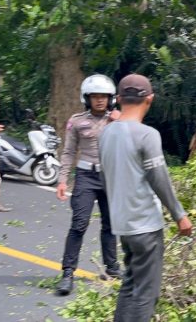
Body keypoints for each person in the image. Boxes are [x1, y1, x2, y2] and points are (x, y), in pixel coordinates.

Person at [99, 74, 192, 322]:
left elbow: (104, 178)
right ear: (150, 99)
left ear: (118, 99)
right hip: (145, 225)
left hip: (123, 225)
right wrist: (179, 215)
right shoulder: (147, 134)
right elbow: (158, 177)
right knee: (146, 294)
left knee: (130, 283)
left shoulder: (105, 134)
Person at [55, 74, 122, 296]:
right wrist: (63, 179)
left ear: (111, 98)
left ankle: (112, 269)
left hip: (110, 176)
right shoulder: (76, 121)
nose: (100, 100)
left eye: (103, 96)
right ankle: (67, 273)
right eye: (95, 96)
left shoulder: (119, 120)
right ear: (87, 98)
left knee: (111, 225)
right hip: (85, 176)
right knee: (79, 224)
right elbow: (68, 151)